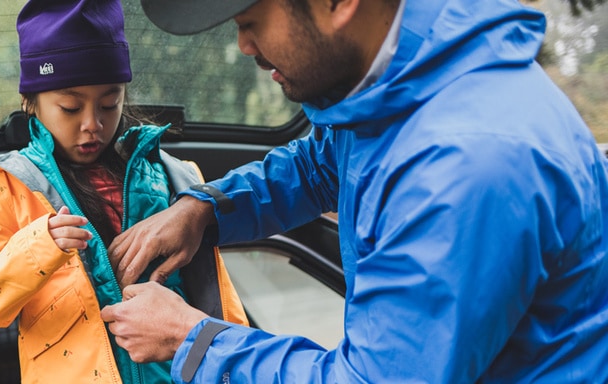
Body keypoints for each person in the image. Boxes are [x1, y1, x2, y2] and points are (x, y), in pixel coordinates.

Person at [100, 0, 608, 382]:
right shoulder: (392, 84)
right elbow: (321, 165)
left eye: (250, 22)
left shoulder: (469, 165)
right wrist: (204, 209)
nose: (245, 47)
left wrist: (192, 339)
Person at [0, 1, 248, 383]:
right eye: (70, 108)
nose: (92, 124)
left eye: (109, 104)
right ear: (32, 103)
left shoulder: (172, 177)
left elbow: (217, 297)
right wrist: (40, 245)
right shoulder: (10, 190)